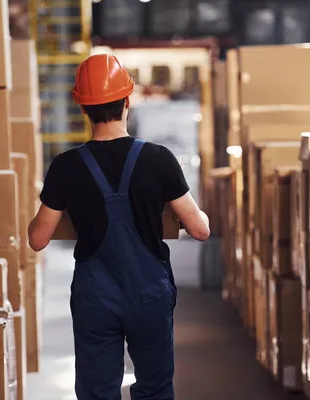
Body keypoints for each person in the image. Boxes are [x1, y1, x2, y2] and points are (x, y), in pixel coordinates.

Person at [28, 54, 210, 400]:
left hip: (95, 297)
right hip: (148, 295)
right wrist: (202, 217)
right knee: (154, 390)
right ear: (127, 101)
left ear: (82, 108)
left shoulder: (65, 167)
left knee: (97, 392)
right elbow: (199, 230)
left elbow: (38, 239)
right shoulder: (159, 159)